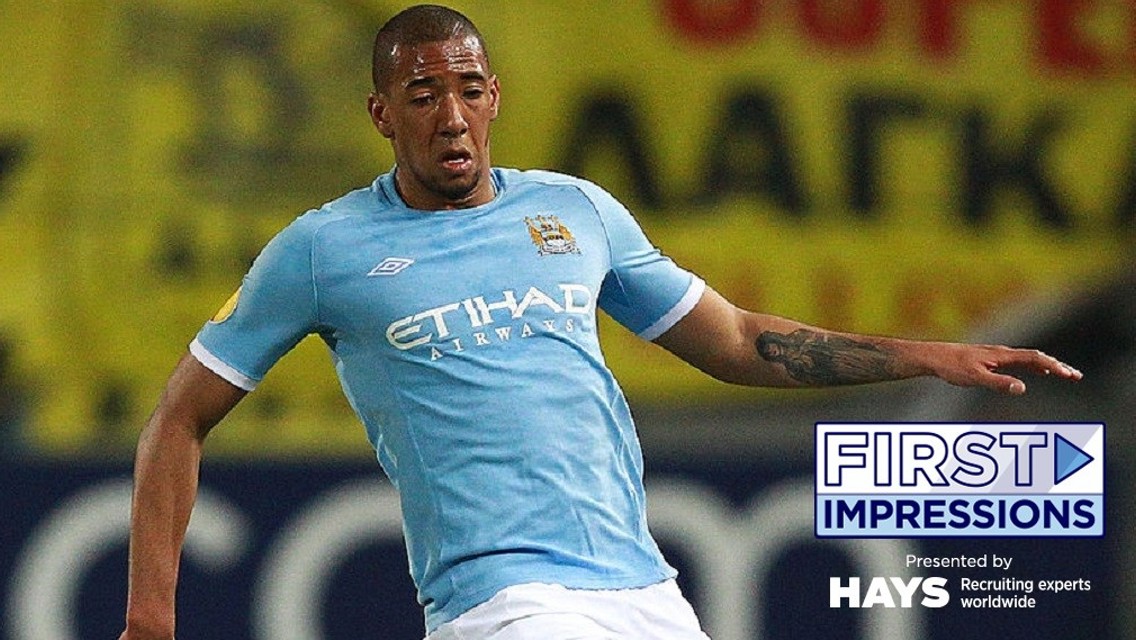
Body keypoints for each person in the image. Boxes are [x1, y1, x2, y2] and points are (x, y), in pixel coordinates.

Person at [118, 5, 1083, 639]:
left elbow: (737, 342)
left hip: (644, 592)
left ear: (494, 97)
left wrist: (933, 356)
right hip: (502, 602)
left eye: (468, 90)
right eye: (423, 95)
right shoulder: (322, 250)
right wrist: (150, 618)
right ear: (382, 114)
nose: (450, 116)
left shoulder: (575, 212)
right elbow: (179, 418)